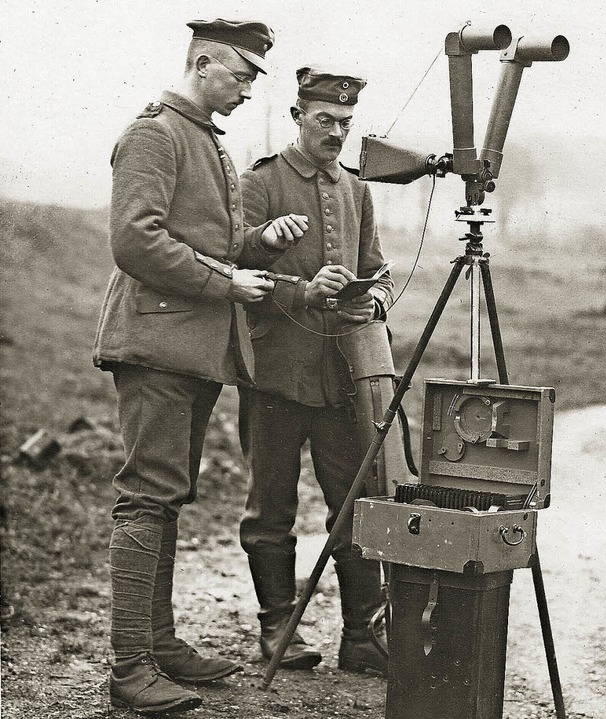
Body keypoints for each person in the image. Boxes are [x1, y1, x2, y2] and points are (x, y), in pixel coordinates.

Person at [92, 19, 309, 714]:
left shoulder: (206, 140)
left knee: (168, 494)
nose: (248, 90)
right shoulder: (156, 133)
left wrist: (261, 242)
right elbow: (135, 239)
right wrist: (226, 284)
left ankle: (158, 643)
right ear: (204, 61)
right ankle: (131, 667)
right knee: (147, 497)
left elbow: (211, 241)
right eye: (242, 75)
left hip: (190, 351)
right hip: (156, 345)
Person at [238, 66, 394, 675]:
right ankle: (279, 629)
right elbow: (234, 266)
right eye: (324, 120)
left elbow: (376, 269)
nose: (335, 132)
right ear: (298, 117)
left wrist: (372, 297)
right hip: (274, 375)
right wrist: (303, 292)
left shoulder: (357, 190)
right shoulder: (262, 182)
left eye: (345, 123)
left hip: (341, 381)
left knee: (354, 503)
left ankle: (361, 634)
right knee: (270, 508)